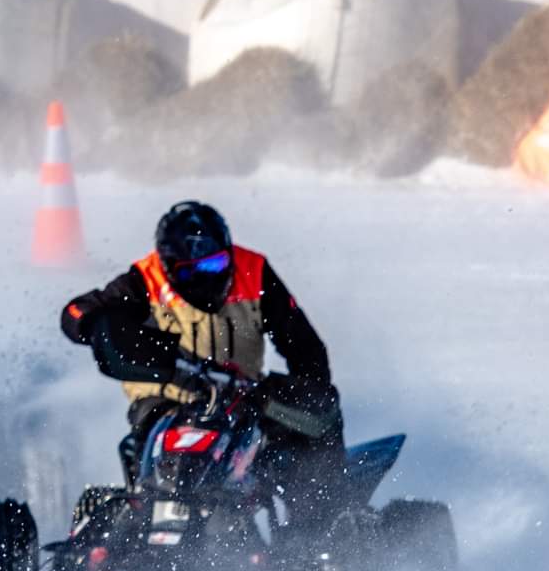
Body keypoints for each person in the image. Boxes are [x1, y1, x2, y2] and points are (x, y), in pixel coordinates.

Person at [58, 200, 344, 515]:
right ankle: (141, 524)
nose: (208, 275)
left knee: (311, 427)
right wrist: (90, 322)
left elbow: (304, 345)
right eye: (193, 270)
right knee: (170, 473)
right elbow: (76, 312)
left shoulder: (255, 271)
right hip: (165, 402)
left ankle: (324, 527)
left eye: (216, 264)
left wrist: (309, 394)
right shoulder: (144, 279)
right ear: (168, 266)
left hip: (241, 397)